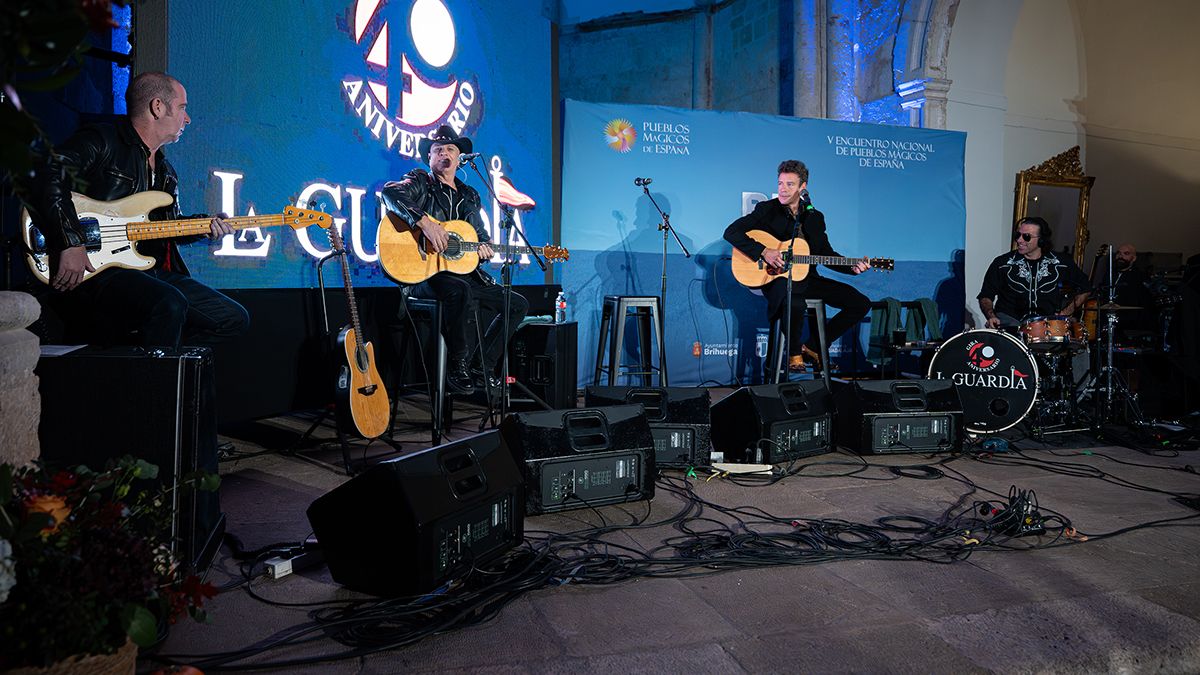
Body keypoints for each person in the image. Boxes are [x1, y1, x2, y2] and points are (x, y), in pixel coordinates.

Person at [28, 71, 249, 349]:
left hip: (146, 271)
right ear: (158, 107)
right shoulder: (104, 139)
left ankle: (148, 359)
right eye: (183, 108)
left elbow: (165, 227)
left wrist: (207, 226)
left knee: (231, 317)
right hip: (99, 270)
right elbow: (47, 172)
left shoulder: (166, 173)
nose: (188, 118)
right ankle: (151, 383)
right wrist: (71, 242)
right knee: (169, 302)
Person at [380, 125, 528, 395]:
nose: (444, 154)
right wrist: (424, 222)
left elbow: (480, 236)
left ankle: (479, 367)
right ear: (429, 158)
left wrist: (484, 250)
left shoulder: (470, 195)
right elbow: (390, 193)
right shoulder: (420, 181)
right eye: (438, 150)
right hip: (424, 276)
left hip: (460, 275)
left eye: (450, 149)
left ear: (460, 158)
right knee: (458, 290)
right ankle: (457, 366)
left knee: (516, 303)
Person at [724, 159, 870, 371]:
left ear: (803, 187)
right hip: (777, 281)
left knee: (859, 303)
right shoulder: (766, 210)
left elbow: (825, 254)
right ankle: (793, 356)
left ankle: (814, 346)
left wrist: (852, 267)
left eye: (789, 184)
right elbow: (731, 232)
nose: (782, 189)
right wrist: (764, 251)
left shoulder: (815, 217)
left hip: (808, 279)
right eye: (780, 183)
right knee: (794, 298)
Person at [978, 217, 1091, 329]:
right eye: (1018, 235)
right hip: (1010, 323)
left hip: (1046, 327)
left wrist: (1066, 312)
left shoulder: (1061, 263)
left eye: (1026, 237)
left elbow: (1086, 288)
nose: (1019, 240)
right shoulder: (1002, 263)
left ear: (1041, 240)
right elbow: (985, 295)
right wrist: (991, 316)